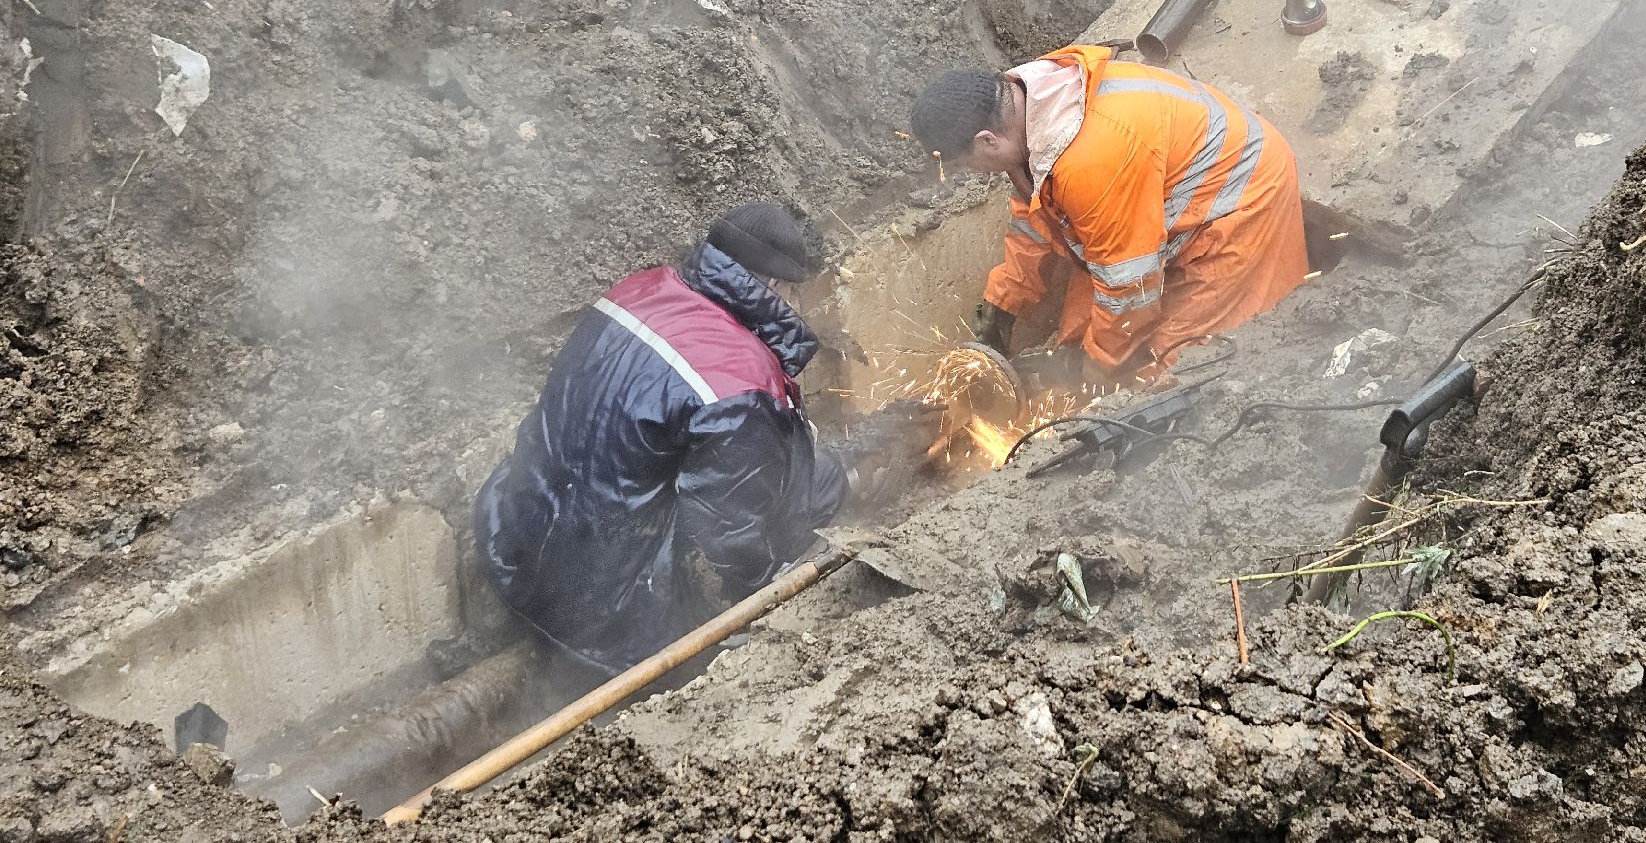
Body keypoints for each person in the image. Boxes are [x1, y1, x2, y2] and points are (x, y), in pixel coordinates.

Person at [473, 203, 848, 677]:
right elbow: (730, 537)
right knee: (808, 484)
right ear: (773, 287)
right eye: (796, 291)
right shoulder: (739, 382)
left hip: (513, 545)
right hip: (610, 625)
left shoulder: (637, 290)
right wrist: (766, 593)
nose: (798, 305)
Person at [910, 42, 1310, 383]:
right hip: (1151, 198)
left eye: (965, 164)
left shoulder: (1090, 163)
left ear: (987, 140)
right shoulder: (1031, 109)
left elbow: (1130, 288)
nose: (972, 174)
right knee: (1077, 336)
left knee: (1167, 367)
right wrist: (1001, 305)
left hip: (1239, 200)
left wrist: (1092, 368)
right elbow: (1035, 221)